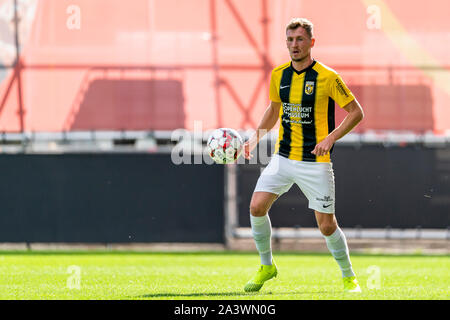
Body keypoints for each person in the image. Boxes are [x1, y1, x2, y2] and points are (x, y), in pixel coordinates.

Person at [242, 18, 364, 293]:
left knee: (326, 225)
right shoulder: (278, 75)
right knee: (256, 207)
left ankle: (349, 276)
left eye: (298, 39)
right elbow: (274, 110)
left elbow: (357, 112)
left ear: (311, 42)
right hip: (283, 157)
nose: (294, 45)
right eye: (289, 39)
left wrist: (330, 138)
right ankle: (267, 266)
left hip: (315, 162)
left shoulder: (328, 77)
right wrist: (253, 139)